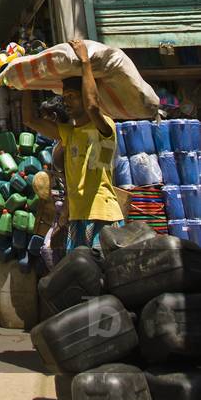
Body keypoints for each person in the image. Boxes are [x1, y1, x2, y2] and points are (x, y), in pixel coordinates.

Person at [21, 38, 123, 252]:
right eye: (65, 96)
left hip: (102, 215)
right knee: (79, 271)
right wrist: (25, 80)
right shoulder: (70, 133)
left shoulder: (105, 127)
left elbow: (93, 107)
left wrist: (85, 62)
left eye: (72, 96)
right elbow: (29, 120)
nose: (66, 101)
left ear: (84, 98)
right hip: (77, 217)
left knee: (102, 268)